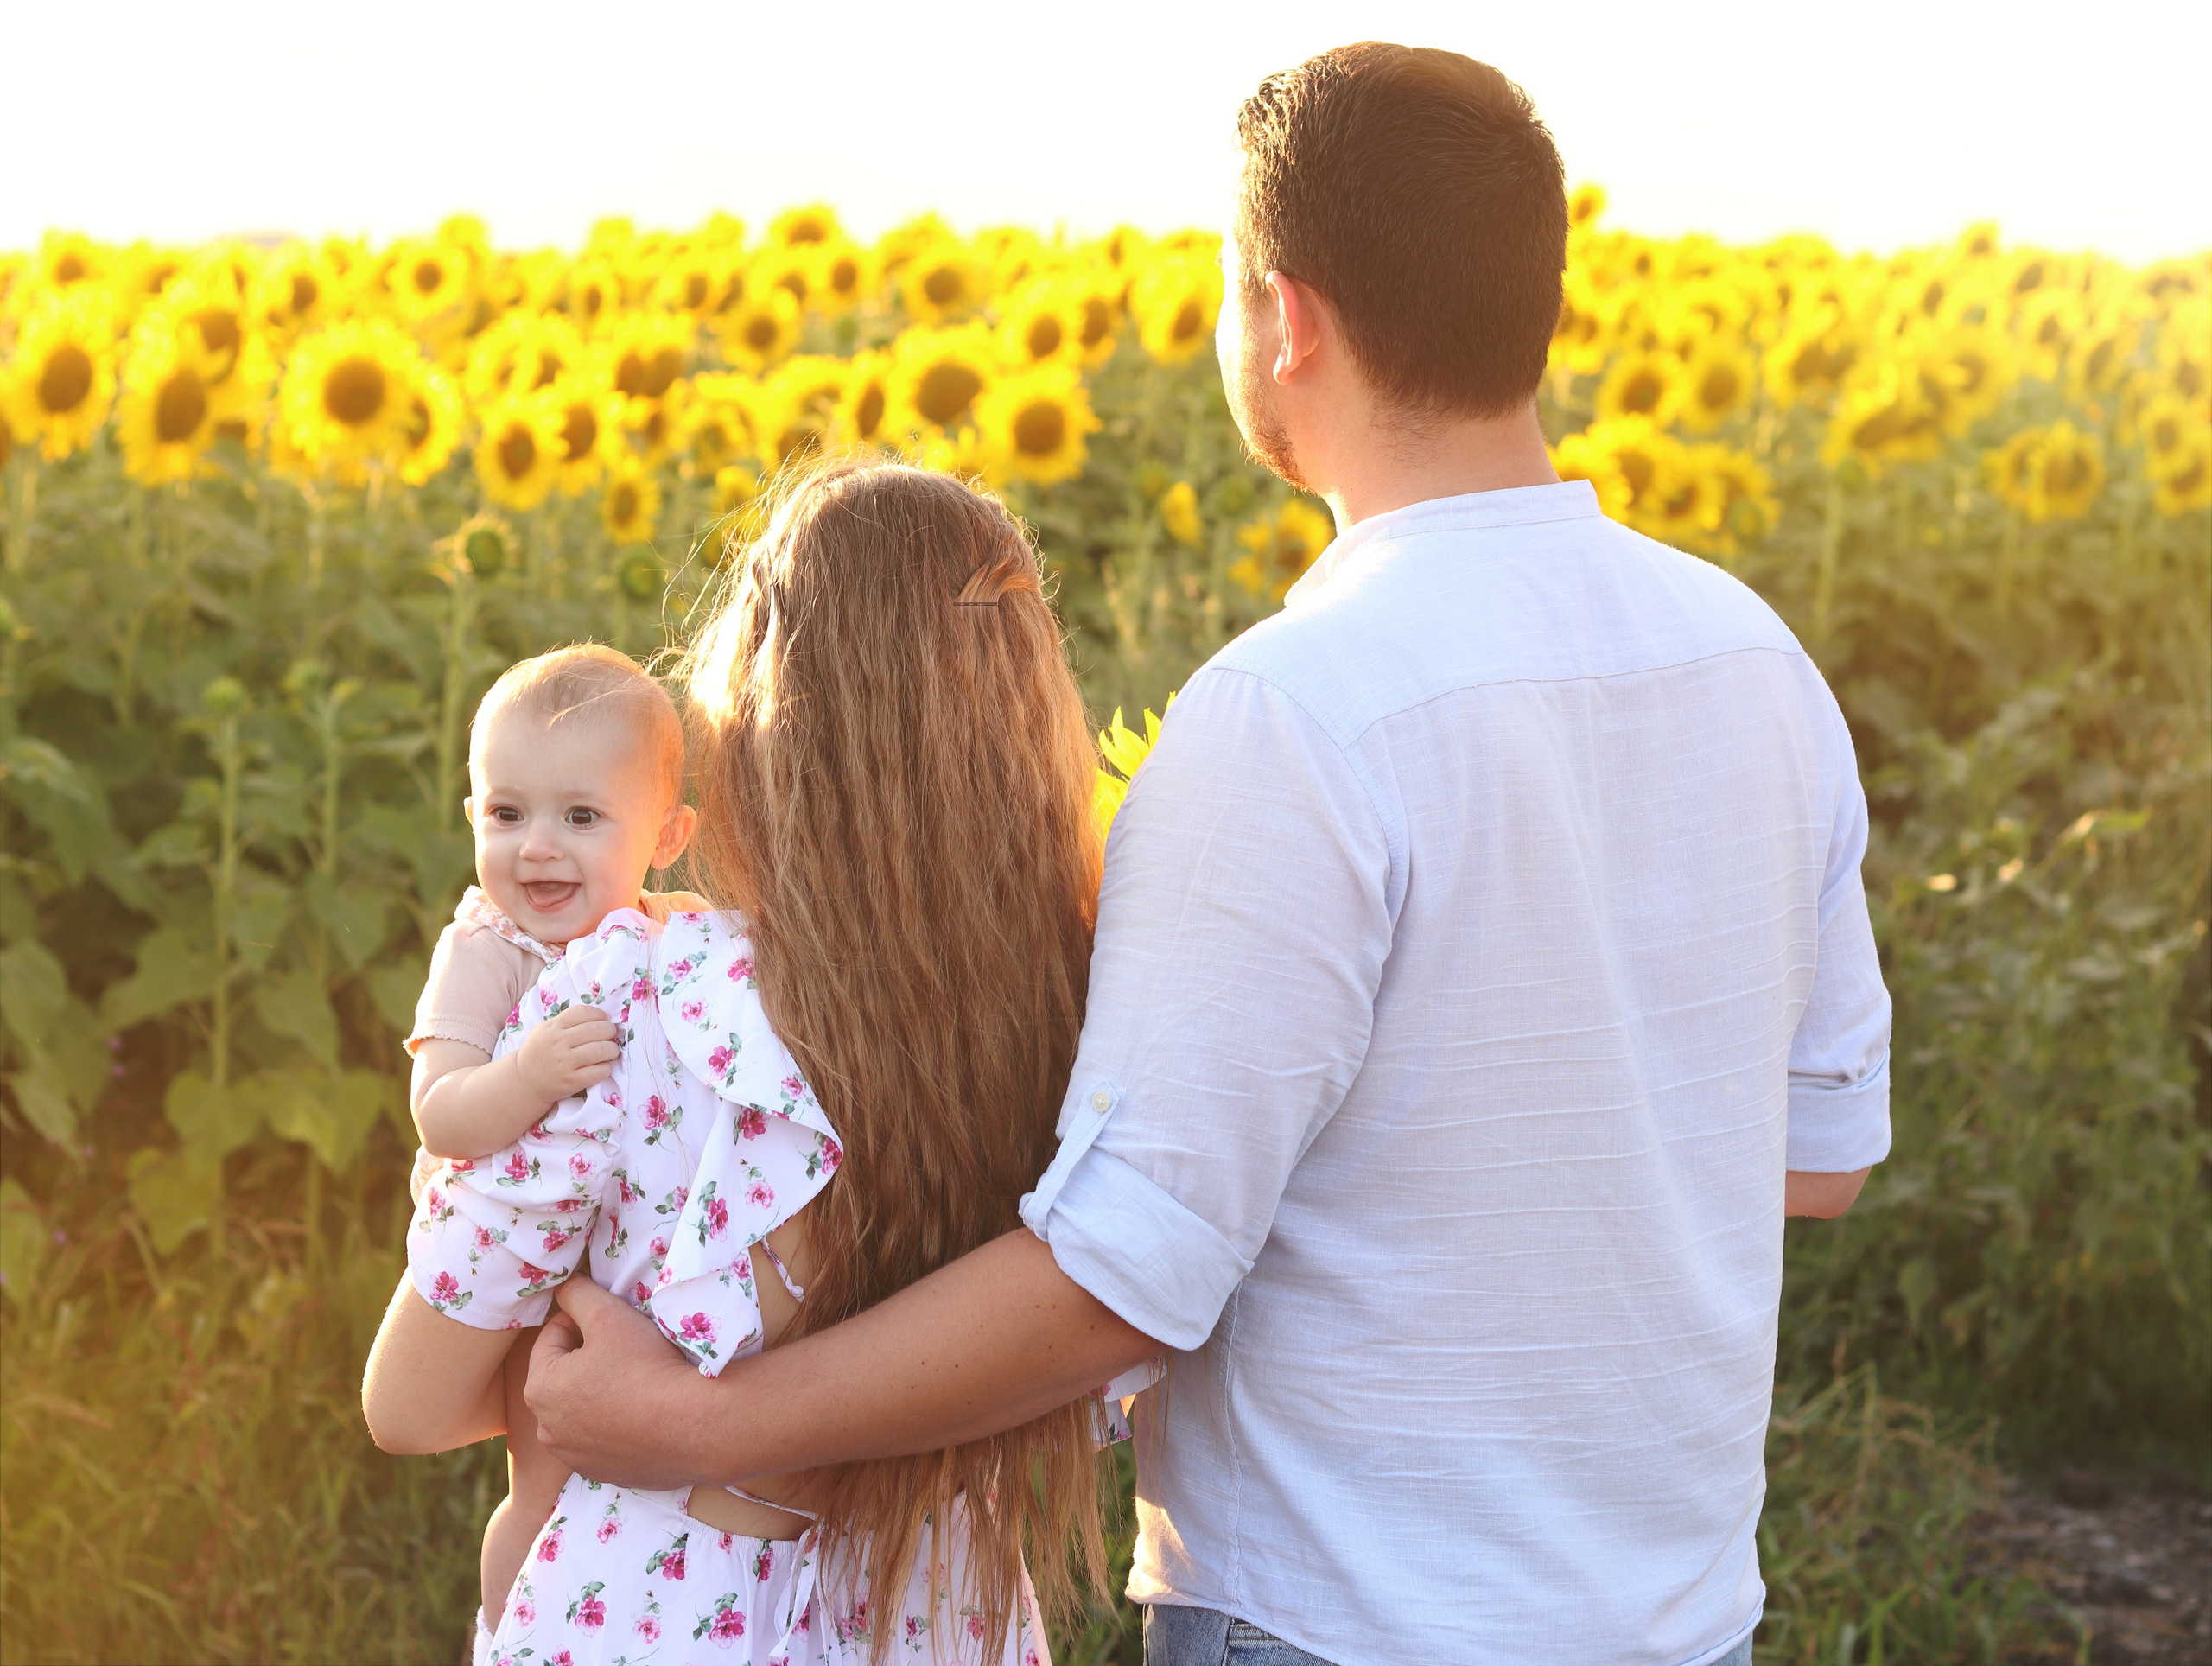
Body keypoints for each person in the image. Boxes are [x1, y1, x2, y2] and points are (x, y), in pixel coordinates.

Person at [523, 42, 1892, 1666]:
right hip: (1677, 1620)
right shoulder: (1754, 661)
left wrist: (700, 1425)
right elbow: (1818, 1156)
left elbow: (1115, 1281)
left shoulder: (1293, 715)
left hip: (1344, 1618)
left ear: (1285, 319)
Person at [365, 462, 1135, 1665]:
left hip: (659, 1613)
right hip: (932, 1620)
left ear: (762, 716)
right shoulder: (1083, 1017)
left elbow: (408, 1406)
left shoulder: (642, 1002)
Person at [397, 643, 706, 1644]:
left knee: (626, 1485)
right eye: (506, 812)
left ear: (665, 835)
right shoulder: (489, 947)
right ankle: (512, 1630)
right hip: (527, 1264)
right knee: (544, 1480)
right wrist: (527, 1073)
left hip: (633, 1257)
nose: (536, 846)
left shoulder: (673, 931)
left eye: (580, 816)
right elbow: (440, 1110)